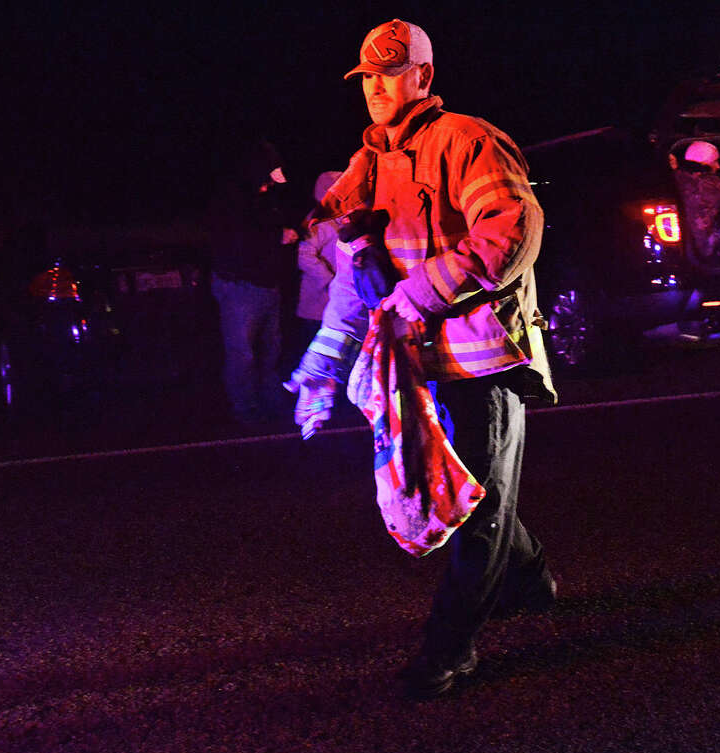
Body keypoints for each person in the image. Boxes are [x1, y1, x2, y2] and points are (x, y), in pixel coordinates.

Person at [284, 19, 558, 698]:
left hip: (482, 361)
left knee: (480, 507)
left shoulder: (468, 140)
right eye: (367, 77)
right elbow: (352, 280)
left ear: (423, 77)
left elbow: (511, 232)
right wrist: (320, 368)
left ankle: (449, 649)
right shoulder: (367, 164)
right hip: (414, 366)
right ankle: (531, 578)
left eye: (390, 72)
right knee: (465, 494)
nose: (377, 88)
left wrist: (414, 297)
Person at [207, 138, 299, 424]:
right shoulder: (230, 202)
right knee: (243, 353)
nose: (270, 185)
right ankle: (245, 407)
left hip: (267, 285)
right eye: (266, 179)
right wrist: (277, 237)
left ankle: (270, 399)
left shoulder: (264, 201)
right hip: (240, 288)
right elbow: (234, 241)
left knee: (270, 349)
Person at [292, 171, 344, 358]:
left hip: (332, 303)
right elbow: (303, 253)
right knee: (312, 353)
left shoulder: (340, 219)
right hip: (317, 303)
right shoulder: (320, 221)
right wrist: (329, 279)